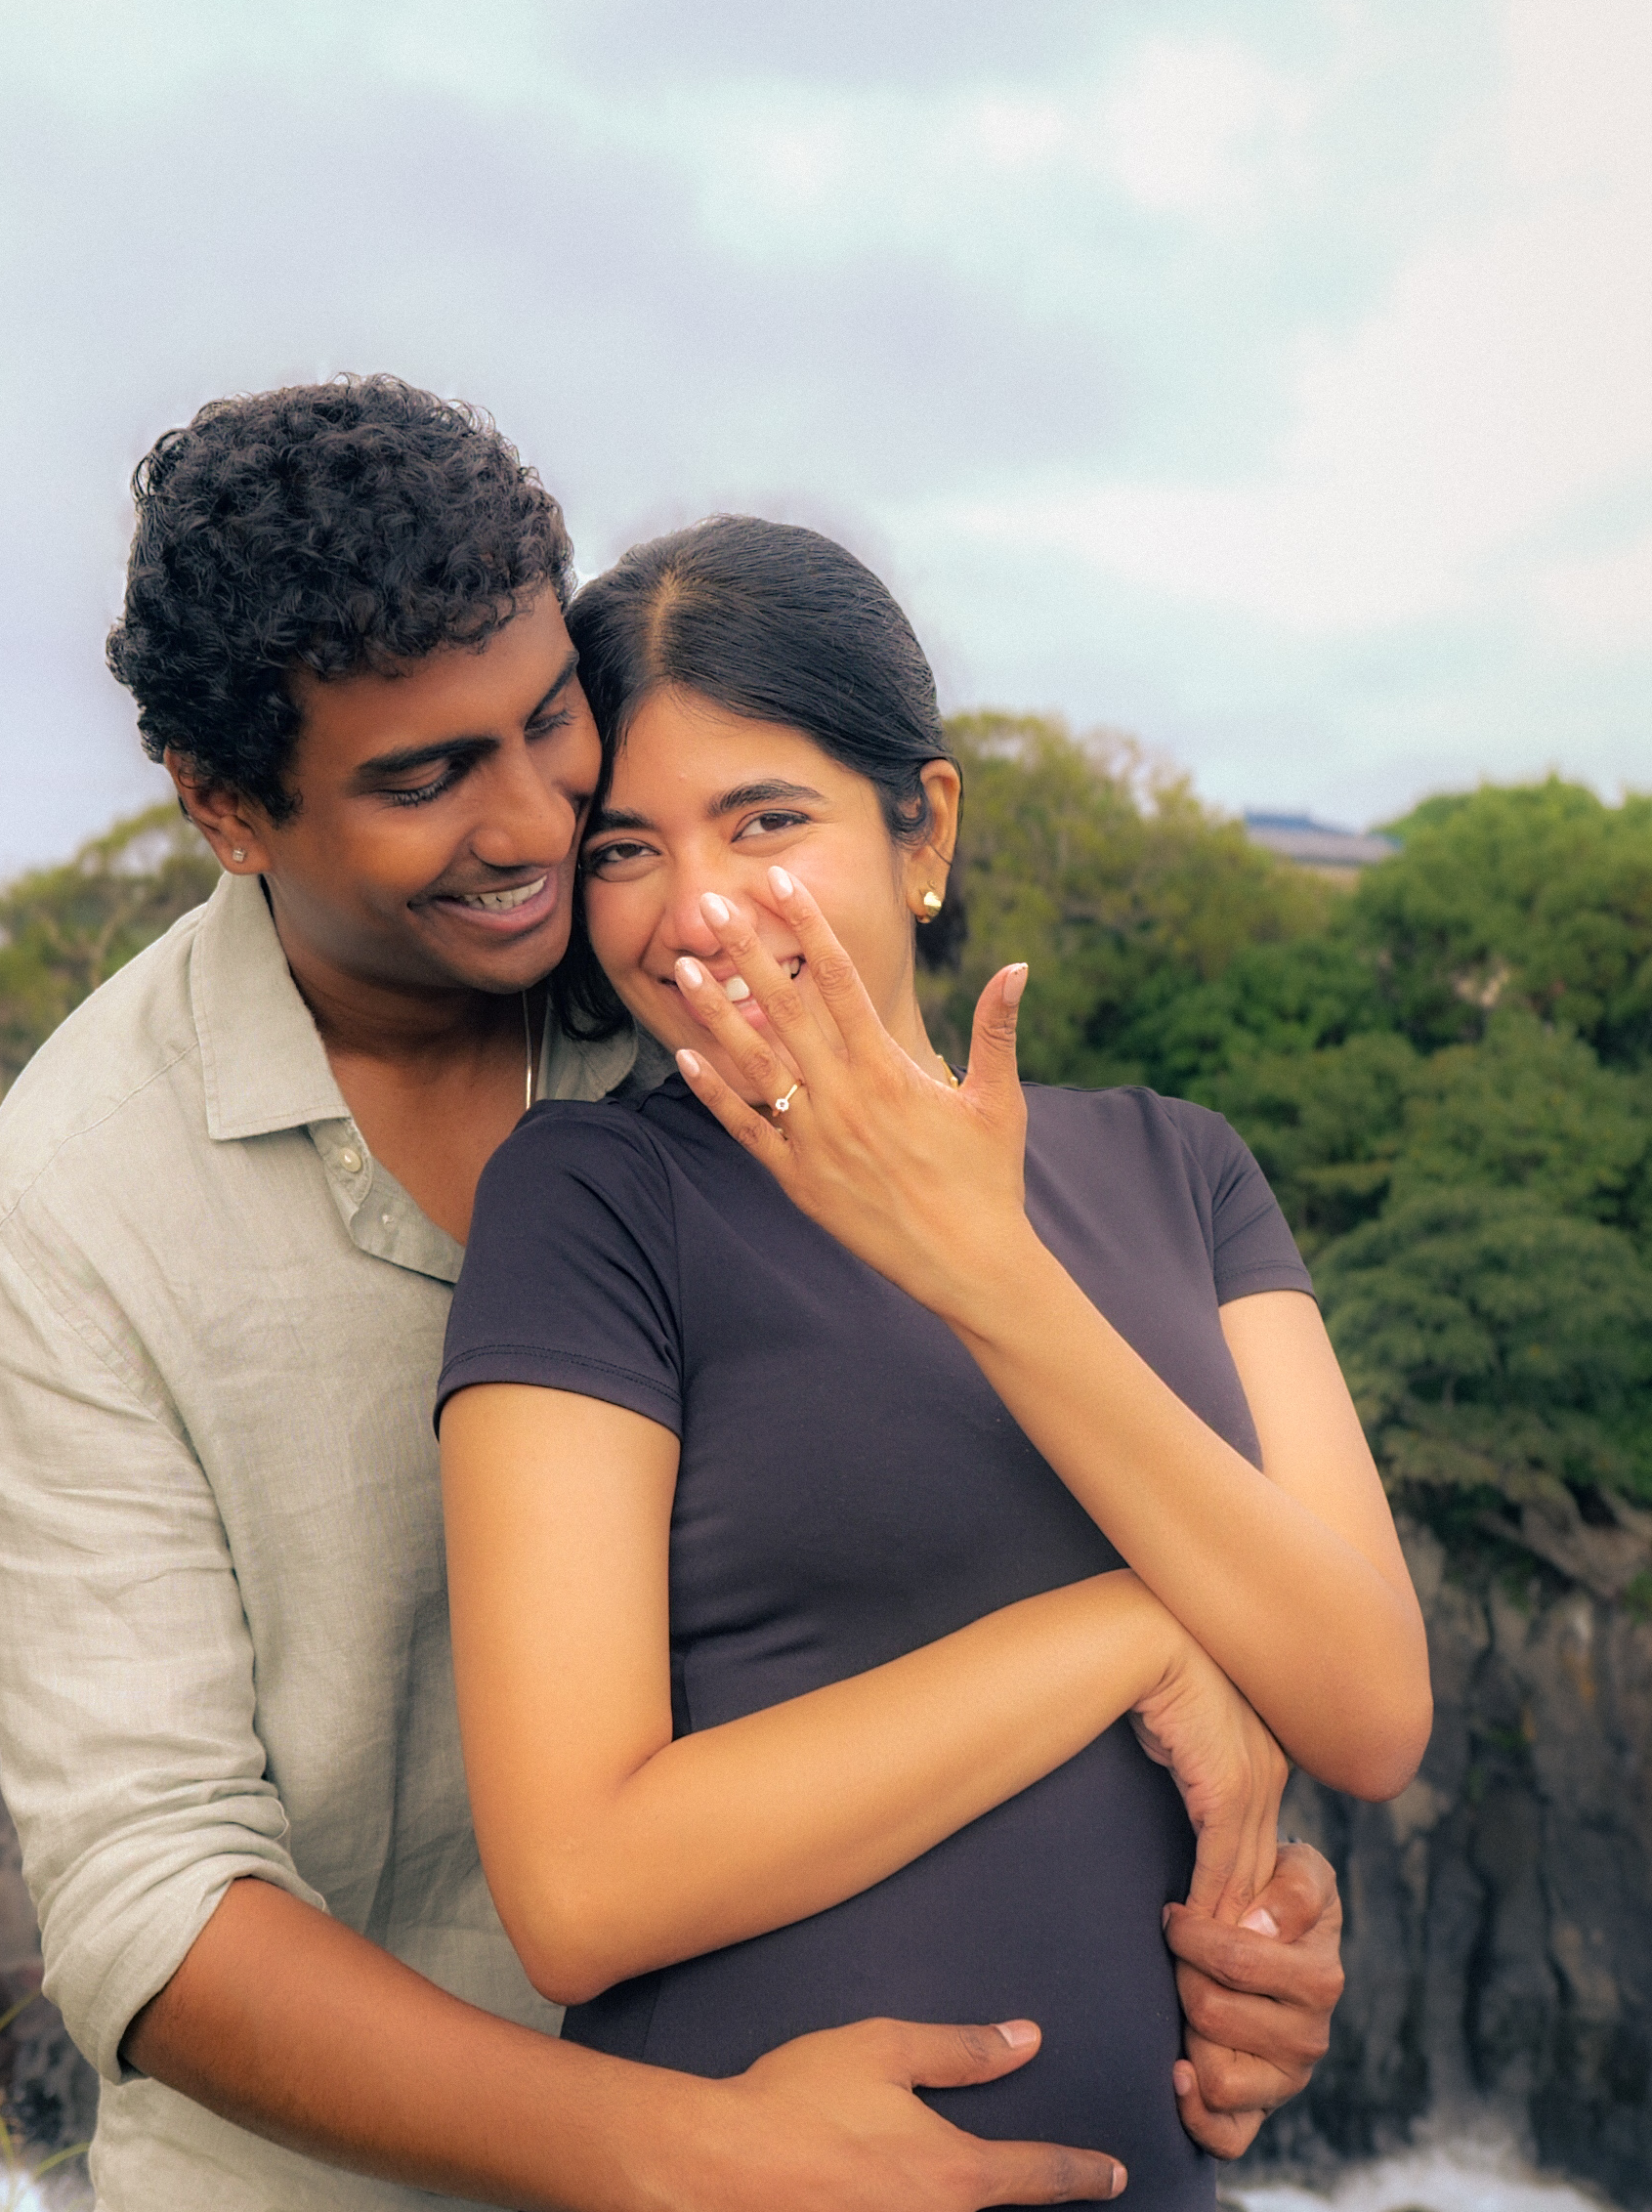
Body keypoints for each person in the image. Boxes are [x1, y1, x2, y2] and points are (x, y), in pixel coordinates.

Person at [0, 382, 1355, 2212]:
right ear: (229, 810)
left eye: (551, 723)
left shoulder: (723, 1010)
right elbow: (152, 1897)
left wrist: (1233, 1883)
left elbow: (963, 1517)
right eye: (425, 776)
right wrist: (689, 2150)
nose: (541, 818)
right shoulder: (81, 1201)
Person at [438, 515, 1432, 2211]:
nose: (694, 910)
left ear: (925, 828)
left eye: (767, 821)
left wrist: (988, 1274)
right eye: (624, 851)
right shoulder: (593, 1202)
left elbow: (1369, 1707)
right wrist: (1132, 1633)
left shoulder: (1180, 1172)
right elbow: (579, 1886)